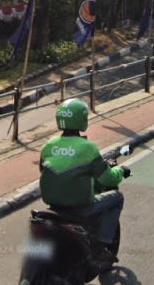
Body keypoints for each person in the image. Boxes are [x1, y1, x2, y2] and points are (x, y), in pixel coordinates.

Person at [39, 99, 128, 255]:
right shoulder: (87, 148)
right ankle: (103, 245)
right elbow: (108, 179)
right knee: (117, 197)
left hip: (53, 207)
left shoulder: (49, 144)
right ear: (82, 119)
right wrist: (120, 171)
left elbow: (43, 169)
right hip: (80, 207)